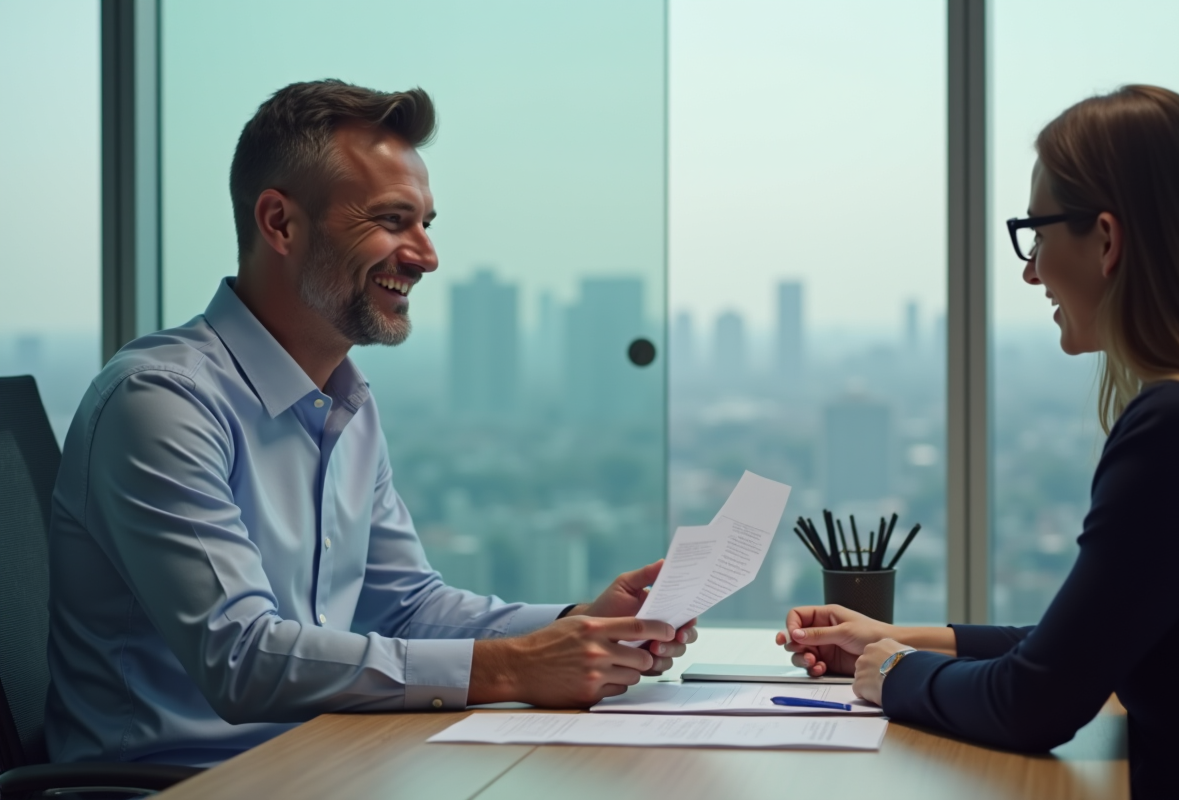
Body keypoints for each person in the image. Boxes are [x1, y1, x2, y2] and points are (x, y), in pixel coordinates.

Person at [45, 79, 696, 768]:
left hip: (324, 761)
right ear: (281, 224)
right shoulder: (161, 401)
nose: (425, 254)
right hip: (180, 784)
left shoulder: (346, 402)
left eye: (426, 223)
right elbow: (240, 657)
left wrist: (579, 627)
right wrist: (514, 667)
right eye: (391, 221)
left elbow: (405, 606)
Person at [777, 84, 1179, 799]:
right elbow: (1085, 641)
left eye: (1036, 235)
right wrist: (893, 637)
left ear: (1105, 240)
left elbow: (1035, 702)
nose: (1031, 271)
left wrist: (894, 675)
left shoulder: (1174, 428)